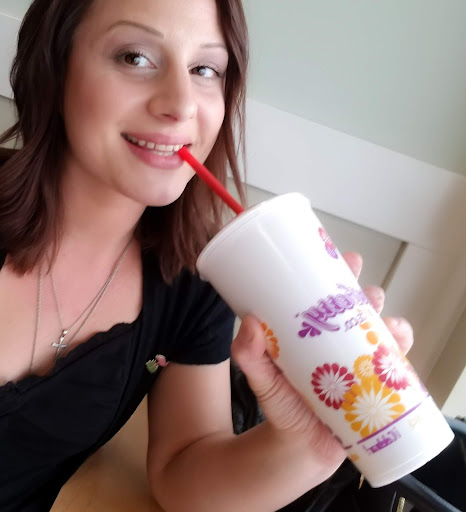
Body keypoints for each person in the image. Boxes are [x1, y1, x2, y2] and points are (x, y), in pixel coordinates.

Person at [0, 0, 414, 510]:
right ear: (55, 66)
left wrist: (307, 444)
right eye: (135, 57)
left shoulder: (193, 286)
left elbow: (184, 474)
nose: (181, 104)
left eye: (204, 70)